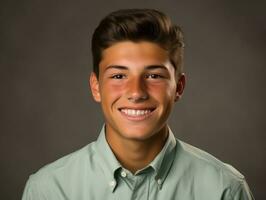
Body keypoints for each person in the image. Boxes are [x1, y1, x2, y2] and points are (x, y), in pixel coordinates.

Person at [22, 9, 254, 200]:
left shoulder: (225, 190)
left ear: (179, 87)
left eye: (154, 76)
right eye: (118, 76)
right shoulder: (48, 190)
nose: (136, 92)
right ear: (96, 87)